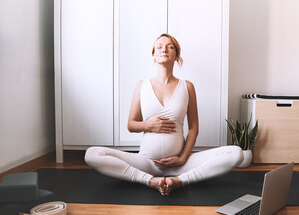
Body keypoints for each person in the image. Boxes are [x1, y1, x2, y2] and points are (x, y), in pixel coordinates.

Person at [85, 33, 243, 195]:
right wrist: (149, 125)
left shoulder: (187, 86)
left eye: (170, 46)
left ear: (176, 55)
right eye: (159, 47)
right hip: (146, 162)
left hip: (180, 164)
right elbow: (131, 125)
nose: (164, 49)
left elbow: (194, 128)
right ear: (154, 55)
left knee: (236, 153)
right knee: (92, 154)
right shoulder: (141, 85)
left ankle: (180, 180)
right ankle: (149, 180)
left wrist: (182, 158)